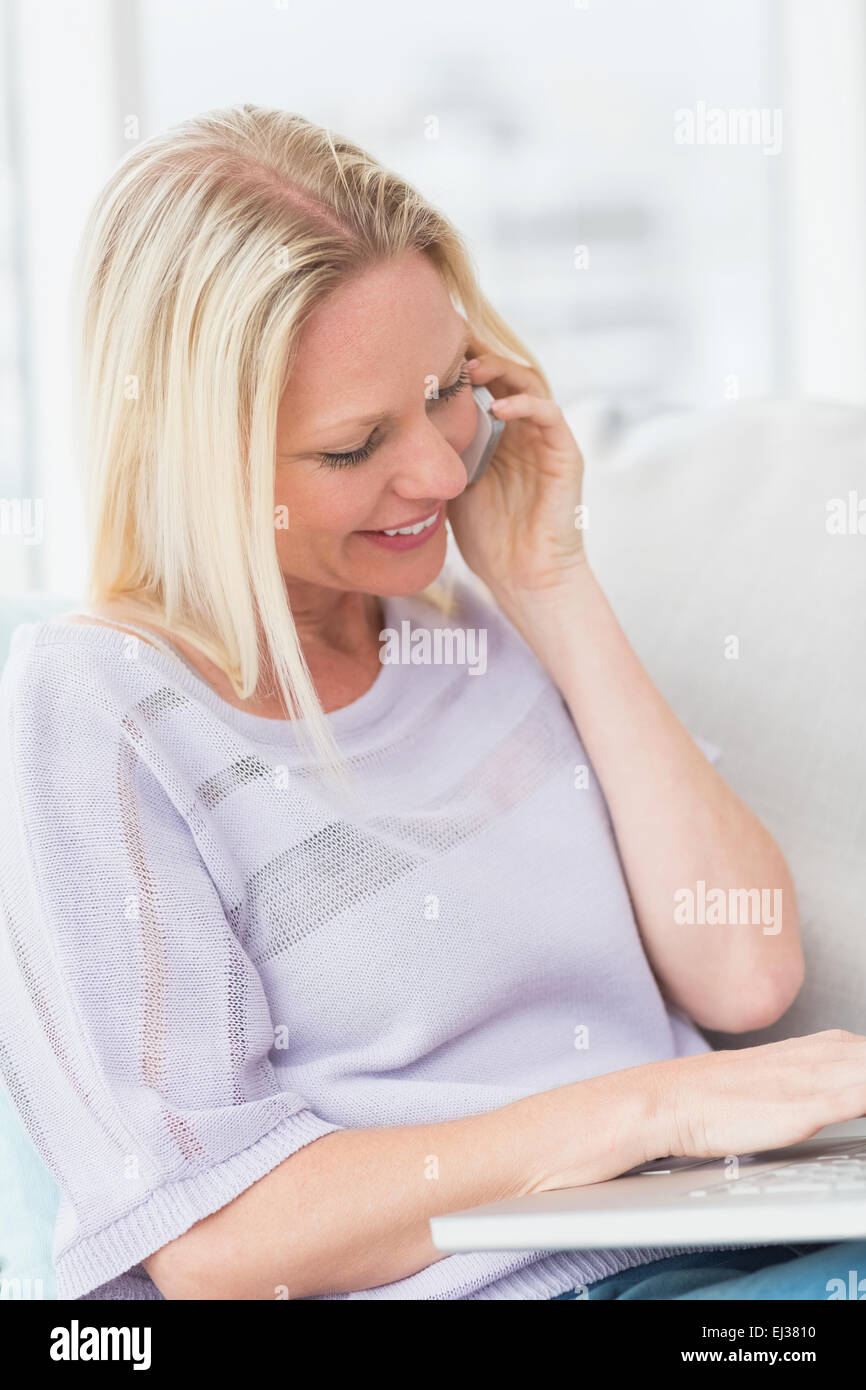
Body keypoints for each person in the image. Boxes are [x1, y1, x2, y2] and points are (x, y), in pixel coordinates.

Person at [1, 104, 864, 1303]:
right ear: (199, 463)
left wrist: (548, 586)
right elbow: (212, 1238)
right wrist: (656, 1107)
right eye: (356, 446)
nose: (441, 469)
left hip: (750, 1239)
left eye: (449, 387)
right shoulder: (99, 704)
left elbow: (743, 975)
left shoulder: (466, 616)